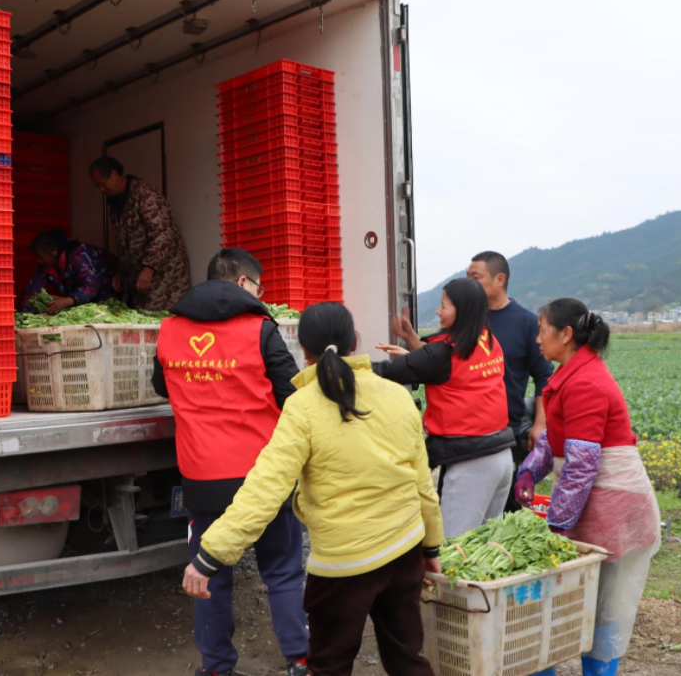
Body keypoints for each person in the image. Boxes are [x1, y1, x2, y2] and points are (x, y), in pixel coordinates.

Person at [182, 302, 444, 676]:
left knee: (329, 666)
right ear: (355, 342)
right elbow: (422, 485)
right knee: (408, 660)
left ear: (303, 352)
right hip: (404, 551)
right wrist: (430, 547)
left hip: (344, 565)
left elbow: (265, 490)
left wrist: (210, 555)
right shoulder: (396, 395)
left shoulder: (302, 407)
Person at [152, 248, 308, 676]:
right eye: (259, 287)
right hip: (262, 478)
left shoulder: (169, 328)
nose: (260, 294)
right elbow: (291, 394)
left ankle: (217, 668)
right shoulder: (260, 328)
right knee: (282, 570)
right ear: (242, 283)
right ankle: (299, 660)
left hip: (201, 476)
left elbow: (161, 385)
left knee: (209, 576)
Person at [514, 299, 661, 676]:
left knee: (601, 606)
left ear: (565, 334)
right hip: (593, 498)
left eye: (541, 331)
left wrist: (556, 528)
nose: (537, 339)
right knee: (570, 599)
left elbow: (581, 466)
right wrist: (530, 470)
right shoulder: (570, 374)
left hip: (613, 504)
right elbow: (556, 437)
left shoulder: (586, 382)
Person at [391, 252, 554, 513]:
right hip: (460, 438)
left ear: (500, 279)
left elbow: (544, 376)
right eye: (467, 276)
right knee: (460, 511)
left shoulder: (524, 322)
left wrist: (540, 425)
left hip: (504, 432)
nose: (469, 282)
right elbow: (439, 359)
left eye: (475, 277)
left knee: (502, 513)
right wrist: (410, 339)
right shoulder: (466, 319)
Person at [375, 278, 516, 538]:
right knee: (482, 544)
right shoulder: (486, 340)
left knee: (455, 545)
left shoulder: (443, 354)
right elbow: (441, 364)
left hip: (471, 464)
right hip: (501, 456)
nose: (439, 311)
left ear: (462, 311)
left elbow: (388, 370)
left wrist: (340, 366)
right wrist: (413, 351)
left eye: (444, 306)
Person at [90, 156, 190, 311]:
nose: (101, 190)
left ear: (115, 174)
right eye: (98, 186)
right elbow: (125, 243)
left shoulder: (145, 195)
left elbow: (162, 234)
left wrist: (149, 268)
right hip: (139, 281)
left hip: (164, 278)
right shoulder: (115, 204)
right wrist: (122, 272)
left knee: (159, 320)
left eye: (102, 184)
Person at [17, 229, 118, 314]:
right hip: (89, 303)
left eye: (40, 256)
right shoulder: (47, 265)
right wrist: (23, 315)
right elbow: (32, 291)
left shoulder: (78, 257)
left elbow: (91, 287)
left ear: (54, 251)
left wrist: (66, 301)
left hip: (109, 294)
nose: (38, 261)